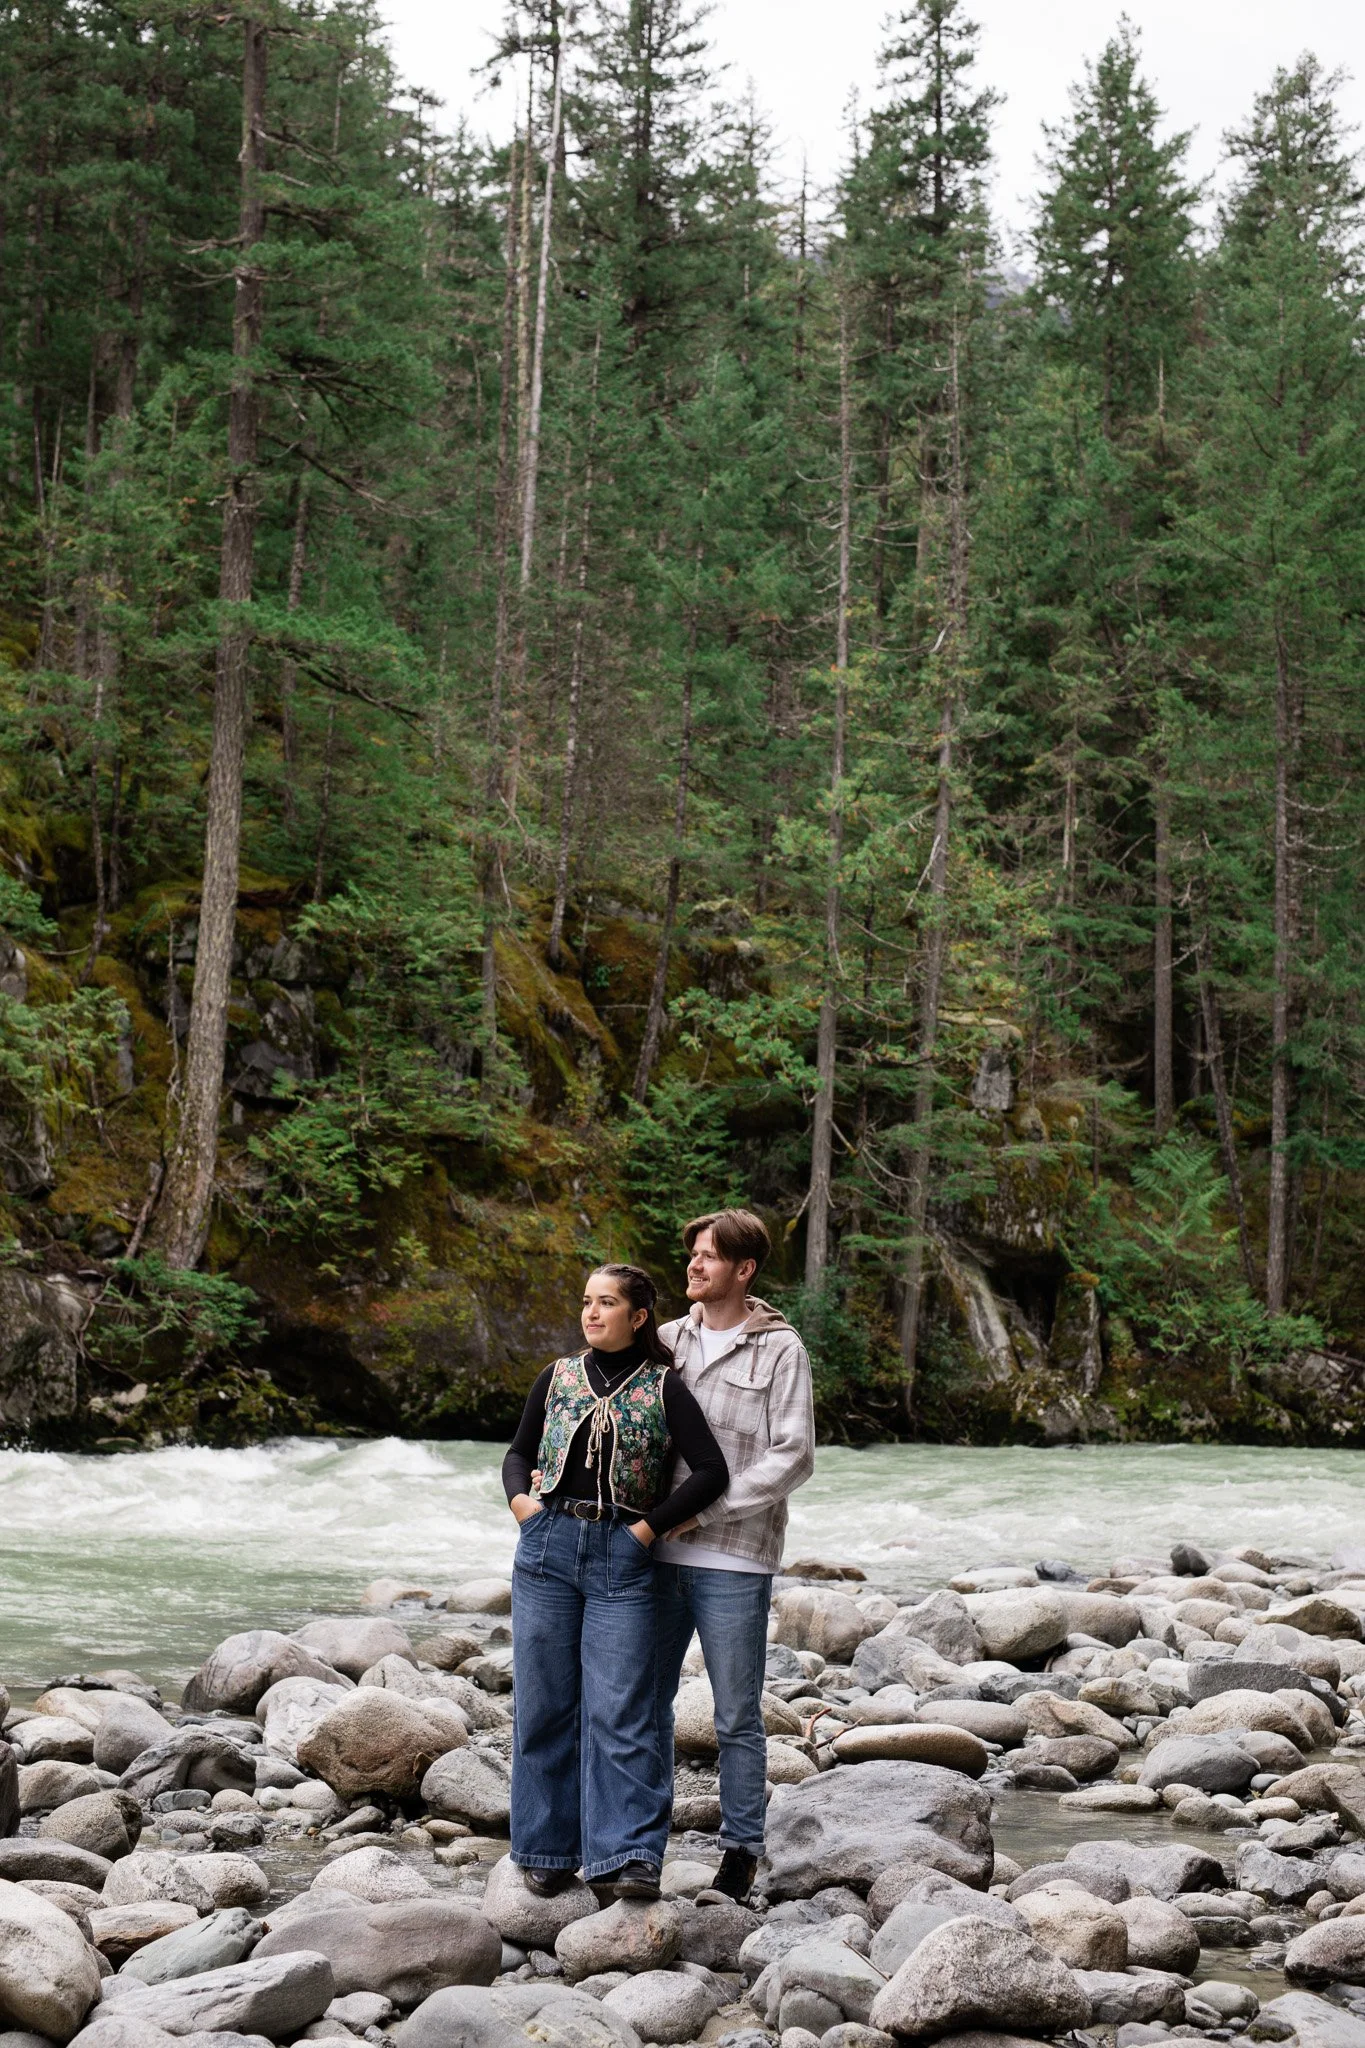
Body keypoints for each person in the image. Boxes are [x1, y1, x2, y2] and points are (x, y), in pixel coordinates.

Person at [502, 1262, 728, 1901]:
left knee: (622, 1711)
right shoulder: (557, 1376)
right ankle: (546, 1850)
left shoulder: (664, 1387)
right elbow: (519, 1453)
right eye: (586, 1302)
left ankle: (628, 1857)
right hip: (545, 1549)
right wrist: (524, 1508)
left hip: (623, 1557)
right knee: (544, 1704)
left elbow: (711, 1472)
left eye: (606, 1303)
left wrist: (645, 1532)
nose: (592, 1313)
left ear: (638, 1316)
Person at [655, 1208, 815, 1902]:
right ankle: (635, 1839)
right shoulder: (662, 1341)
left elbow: (793, 1455)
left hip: (736, 1557)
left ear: (743, 1270)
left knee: (735, 1717)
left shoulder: (782, 1351)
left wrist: (706, 1508)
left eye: (709, 1257)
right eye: (692, 1254)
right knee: (639, 1704)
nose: (693, 1265)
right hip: (652, 1554)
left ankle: (740, 1852)